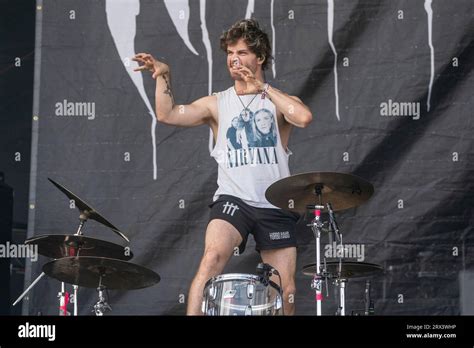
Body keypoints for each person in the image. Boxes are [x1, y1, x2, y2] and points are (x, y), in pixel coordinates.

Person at [133, 18, 312, 315]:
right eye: (230, 53)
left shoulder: (279, 102)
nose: (233, 59)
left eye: (241, 52)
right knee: (212, 258)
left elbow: (304, 117)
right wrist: (163, 77)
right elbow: (168, 115)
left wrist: (263, 89)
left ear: (260, 57)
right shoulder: (217, 103)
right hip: (234, 199)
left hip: (275, 204)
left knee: (286, 288)